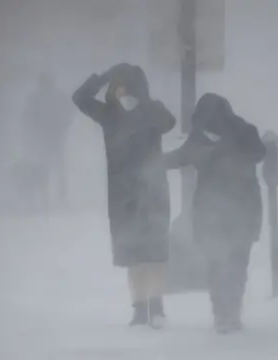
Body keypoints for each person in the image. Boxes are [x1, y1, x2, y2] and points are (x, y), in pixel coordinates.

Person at [72, 63, 176, 329]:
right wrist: (103, 75)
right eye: (114, 85)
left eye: (122, 84)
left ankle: (156, 307)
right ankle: (141, 308)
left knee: (154, 254)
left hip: (152, 192)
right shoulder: (110, 114)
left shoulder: (150, 111)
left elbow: (170, 121)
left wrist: (146, 103)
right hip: (124, 196)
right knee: (134, 255)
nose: (118, 90)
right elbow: (80, 98)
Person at [164, 93, 266, 334]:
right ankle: (227, 313)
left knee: (222, 263)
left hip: (231, 211)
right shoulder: (205, 136)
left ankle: (225, 314)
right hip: (232, 211)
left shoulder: (241, 132)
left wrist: (220, 149)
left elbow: (257, 154)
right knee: (230, 263)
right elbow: (181, 157)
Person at [21, 72, 73, 211]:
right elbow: (27, 117)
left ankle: (57, 195)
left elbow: (68, 113)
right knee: (49, 167)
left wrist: (62, 125)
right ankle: (51, 196)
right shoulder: (41, 99)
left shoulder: (43, 98)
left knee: (54, 167)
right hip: (47, 138)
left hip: (52, 137)